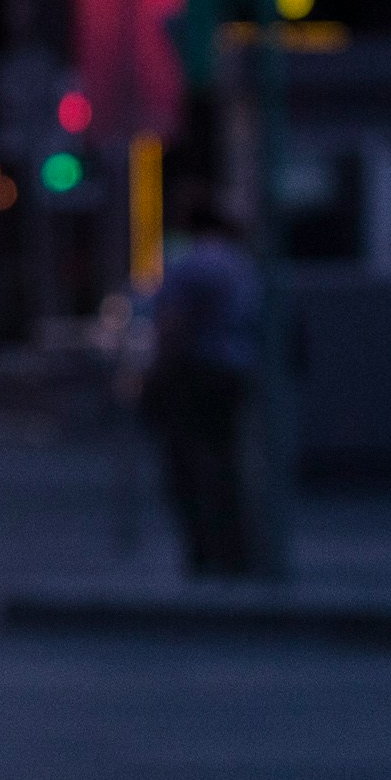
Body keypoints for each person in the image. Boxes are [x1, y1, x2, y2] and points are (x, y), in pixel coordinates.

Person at [145, 193, 262, 578]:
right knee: (227, 461)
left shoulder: (191, 266)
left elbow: (174, 325)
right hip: (236, 371)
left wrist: (157, 373)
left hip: (196, 372)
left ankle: (204, 549)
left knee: (187, 464)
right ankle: (236, 547)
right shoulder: (243, 265)